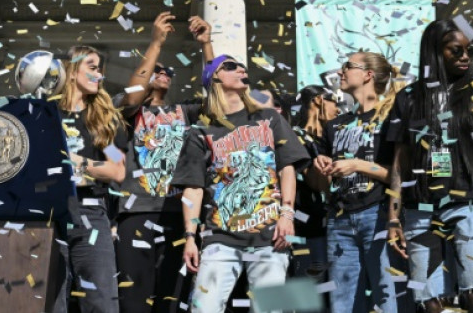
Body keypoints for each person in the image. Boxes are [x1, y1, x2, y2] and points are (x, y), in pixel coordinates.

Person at [171, 55, 309, 313]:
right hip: (220, 237)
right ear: (214, 78)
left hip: (270, 236)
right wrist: (190, 236)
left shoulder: (269, 118)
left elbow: (287, 168)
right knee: (203, 308)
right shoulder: (201, 130)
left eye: (242, 66)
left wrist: (287, 214)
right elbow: (193, 187)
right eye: (231, 66)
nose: (241, 69)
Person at [114, 13, 212, 313]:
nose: (164, 72)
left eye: (168, 71)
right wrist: (156, 43)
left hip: (176, 213)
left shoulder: (184, 111)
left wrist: (206, 45)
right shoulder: (127, 111)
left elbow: (218, 98)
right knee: (134, 299)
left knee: (172, 298)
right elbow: (133, 97)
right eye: (156, 70)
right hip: (137, 212)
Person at [386, 20, 473, 313]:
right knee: (429, 301)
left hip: (470, 202)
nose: (465, 57)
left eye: (468, 51)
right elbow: (399, 162)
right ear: (435, 52)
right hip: (421, 207)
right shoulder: (409, 98)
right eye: (456, 51)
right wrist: (393, 218)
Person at [307, 53, 411, 313]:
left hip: (378, 215)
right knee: (343, 303)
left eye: (347, 66)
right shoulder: (335, 126)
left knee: (389, 298)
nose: (340, 72)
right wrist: (320, 165)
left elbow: (402, 175)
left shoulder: (390, 120)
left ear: (368, 75)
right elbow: (322, 185)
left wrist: (358, 165)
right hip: (339, 219)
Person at [53, 45, 127, 313]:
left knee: (101, 300)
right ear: (72, 71)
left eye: (100, 70)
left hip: (90, 212)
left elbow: (117, 169)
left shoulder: (101, 121)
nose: (99, 75)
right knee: (51, 300)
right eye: (92, 68)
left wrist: (79, 162)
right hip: (49, 214)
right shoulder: (48, 113)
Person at [289, 85, 338, 293]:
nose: (338, 109)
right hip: (306, 229)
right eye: (334, 102)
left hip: (333, 227)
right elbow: (316, 183)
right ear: (318, 100)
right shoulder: (296, 137)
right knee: (310, 294)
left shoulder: (329, 138)